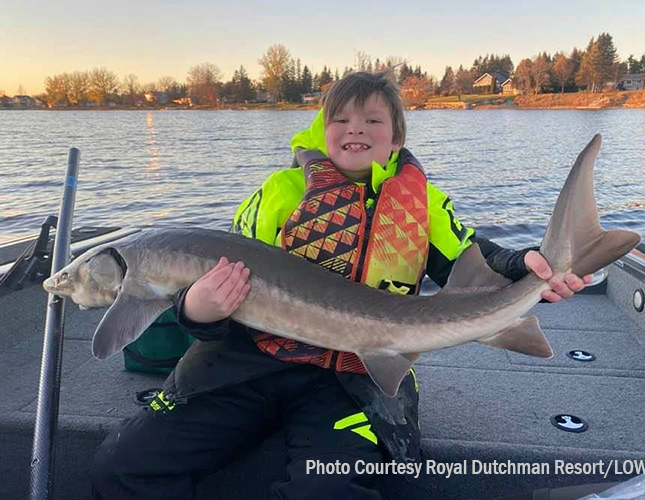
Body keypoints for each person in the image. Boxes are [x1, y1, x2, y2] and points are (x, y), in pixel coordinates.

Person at [90, 71, 591, 500]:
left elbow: (478, 257)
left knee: (328, 488)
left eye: (373, 121)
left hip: (357, 377)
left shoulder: (425, 203)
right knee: (122, 465)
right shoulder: (279, 194)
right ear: (322, 131)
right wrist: (197, 311)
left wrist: (536, 268)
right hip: (243, 365)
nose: (356, 129)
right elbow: (204, 285)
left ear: (396, 138)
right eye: (342, 120)